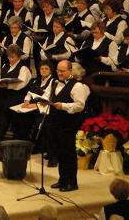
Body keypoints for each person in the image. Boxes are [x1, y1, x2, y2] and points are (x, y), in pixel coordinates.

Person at [39, 60, 90, 192]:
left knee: (68, 153)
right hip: (55, 122)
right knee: (60, 153)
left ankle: (71, 182)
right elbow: (47, 95)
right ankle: (62, 179)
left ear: (70, 71)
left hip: (68, 123)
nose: (59, 73)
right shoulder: (55, 82)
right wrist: (44, 101)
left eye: (62, 71)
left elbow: (80, 105)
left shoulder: (77, 86)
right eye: (58, 70)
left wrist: (63, 106)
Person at [0, 45, 31, 147]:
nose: (10, 59)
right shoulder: (5, 66)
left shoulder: (24, 68)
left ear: (18, 57)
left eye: (13, 57)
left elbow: (21, 84)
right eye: (9, 57)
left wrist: (8, 84)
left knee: (4, 111)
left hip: (16, 95)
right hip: (3, 93)